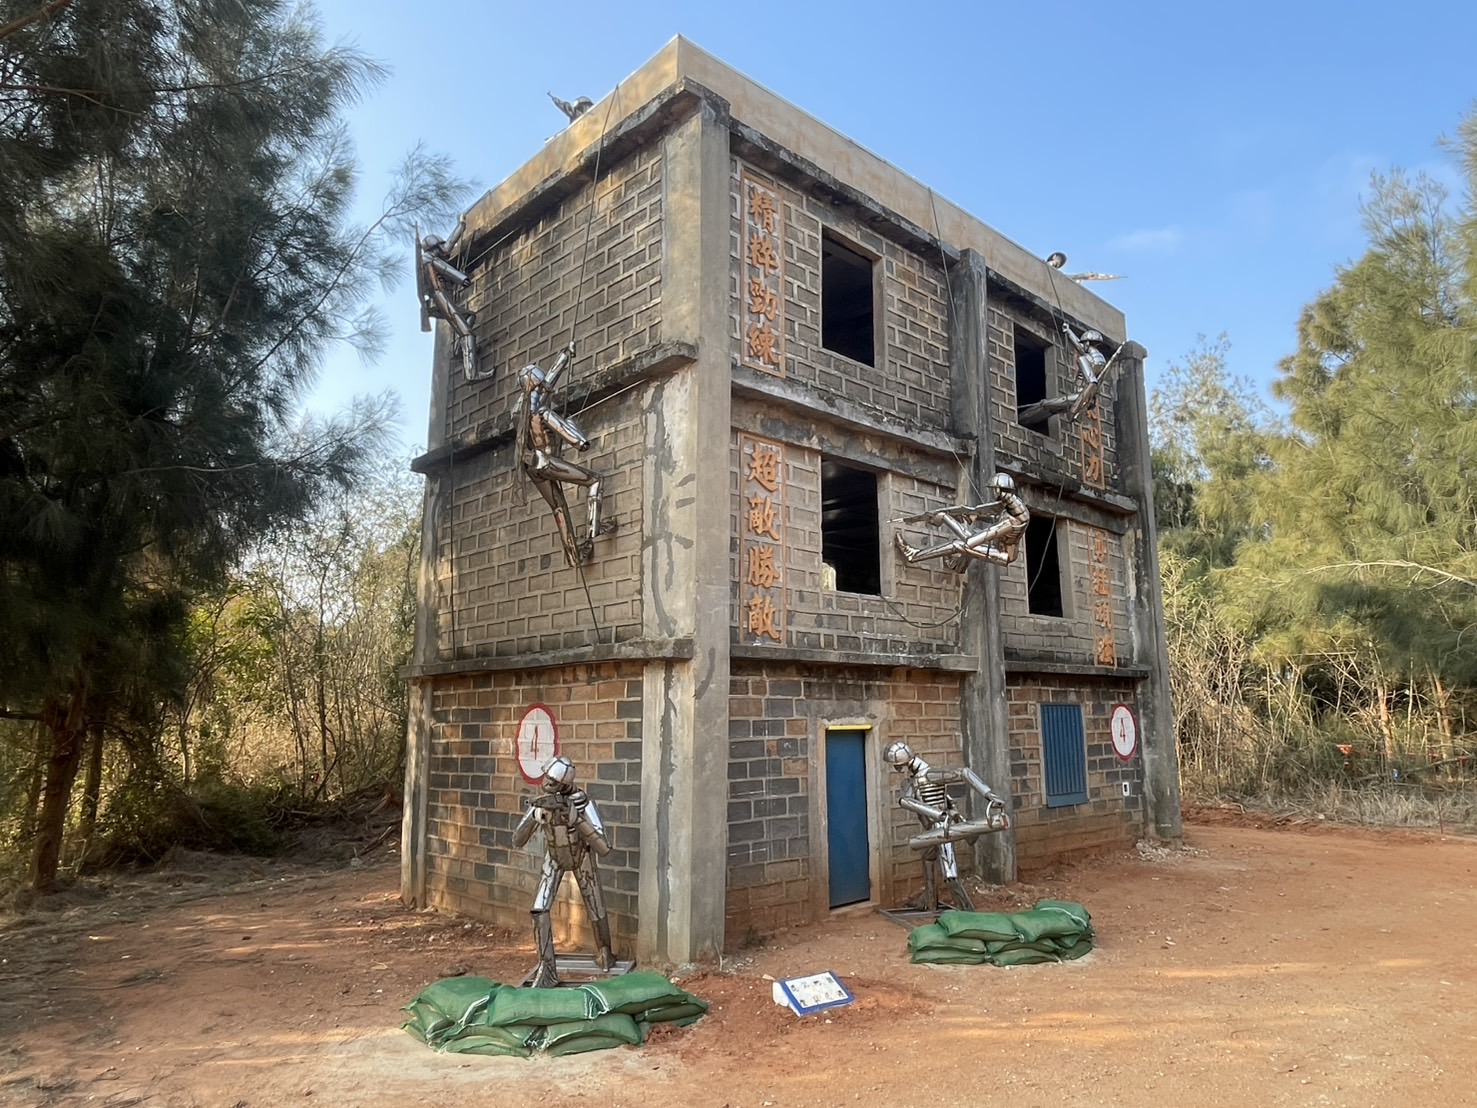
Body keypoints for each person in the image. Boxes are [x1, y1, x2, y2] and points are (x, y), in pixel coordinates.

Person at [511, 756, 615, 988]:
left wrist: (579, 821)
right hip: (554, 858)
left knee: (596, 906)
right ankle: (547, 966)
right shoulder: (542, 804)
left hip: (582, 857)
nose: (547, 783)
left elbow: (604, 848)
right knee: (539, 909)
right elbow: (517, 839)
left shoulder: (583, 803)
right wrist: (534, 819)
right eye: (546, 777)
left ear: (565, 784)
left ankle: (605, 951)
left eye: (553, 781)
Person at [517, 342, 614, 566]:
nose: (545, 386)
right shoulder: (542, 412)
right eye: (541, 384)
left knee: (558, 507)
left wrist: (565, 356)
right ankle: (594, 529)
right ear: (536, 385)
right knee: (595, 481)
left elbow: (547, 384)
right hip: (547, 462)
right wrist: (579, 438)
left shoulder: (519, 411)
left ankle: (573, 557)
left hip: (531, 466)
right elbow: (573, 437)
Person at [884, 740, 1008, 912]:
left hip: (943, 826)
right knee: (928, 859)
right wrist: (938, 812)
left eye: (897, 764)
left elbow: (964, 773)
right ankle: (929, 902)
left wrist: (990, 796)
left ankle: (968, 911)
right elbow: (911, 800)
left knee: (950, 876)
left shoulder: (931, 774)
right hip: (932, 828)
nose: (896, 768)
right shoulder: (913, 781)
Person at [894, 471, 1029, 572]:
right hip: (1000, 546)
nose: (993, 493)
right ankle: (959, 567)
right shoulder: (1016, 509)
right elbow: (996, 518)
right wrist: (976, 515)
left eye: (994, 490)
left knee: (958, 545)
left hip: (1002, 554)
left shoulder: (1010, 522)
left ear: (999, 491)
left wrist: (946, 518)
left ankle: (913, 555)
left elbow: (970, 541)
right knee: (973, 536)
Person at [1016, 324, 1128, 426]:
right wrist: (1068, 331)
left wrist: (1076, 408)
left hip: (1080, 397)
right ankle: (1024, 419)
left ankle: (1021, 419)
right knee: (1052, 408)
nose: (1082, 345)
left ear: (1088, 343)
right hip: (1088, 399)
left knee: (1044, 404)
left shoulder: (1085, 359)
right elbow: (1079, 346)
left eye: (1084, 343)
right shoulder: (1100, 360)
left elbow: (1092, 382)